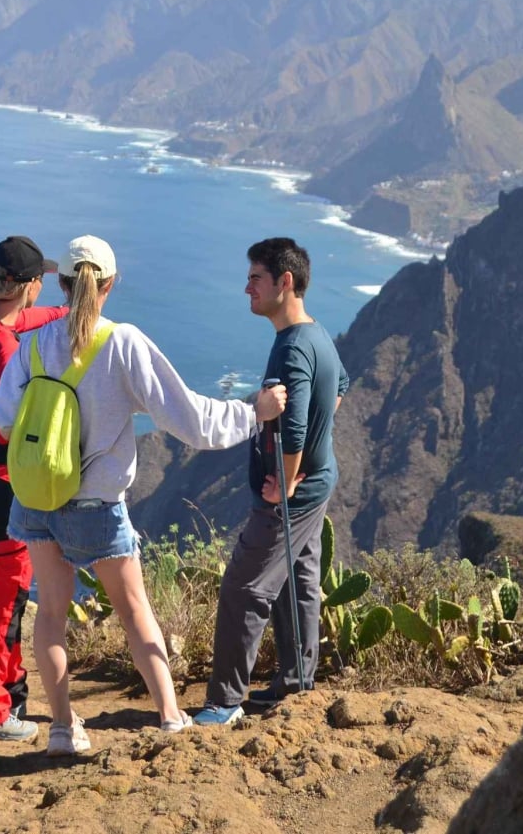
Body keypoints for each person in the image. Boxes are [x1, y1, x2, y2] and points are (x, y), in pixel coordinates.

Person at [0, 235, 287, 755]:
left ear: (61, 284)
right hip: (97, 505)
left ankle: (61, 729)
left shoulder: (34, 344)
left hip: (35, 499)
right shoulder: (121, 342)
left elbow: (0, 423)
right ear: (109, 284)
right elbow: (191, 422)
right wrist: (253, 413)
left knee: (51, 617)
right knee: (133, 611)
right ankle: (170, 718)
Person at [195, 237, 349, 725]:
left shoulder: (294, 348)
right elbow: (340, 387)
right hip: (316, 482)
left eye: (255, 278)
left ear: (286, 282)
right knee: (298, 580)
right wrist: (308, 461)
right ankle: (297, 685)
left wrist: (284, 483)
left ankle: (224, 703)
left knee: (245, 586)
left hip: (293, 494)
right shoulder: (314, 335)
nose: (246, 289)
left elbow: (296, 426)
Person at [0, 236, 68, 741]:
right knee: (7, 601)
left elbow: (22, 319)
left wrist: (68, 312)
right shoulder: (2, 345)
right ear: (28, 285)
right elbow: (3, 426)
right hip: (3, 486)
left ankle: (6, 693)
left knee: (10, 595)